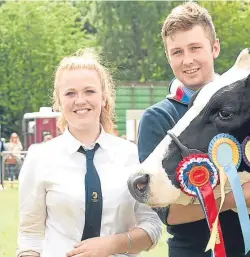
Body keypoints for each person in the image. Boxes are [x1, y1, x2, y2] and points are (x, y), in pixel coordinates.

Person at [137, 2, 250, 257]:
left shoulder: (247, 109)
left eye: (195, 48)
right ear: (168, 56)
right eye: (177, 52)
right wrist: (236, 198)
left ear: (215, 47)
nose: (187, 60)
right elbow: (170, 213)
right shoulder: (157, 119)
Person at [16, 49, 162, 257]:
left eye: (89, 91)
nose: (80, 100)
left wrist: (112, 245)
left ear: (104, 98)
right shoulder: (39, 158)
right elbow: (30, 236)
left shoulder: (133, 157)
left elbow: (152, 227)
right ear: (58, 100)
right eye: (70, 93)